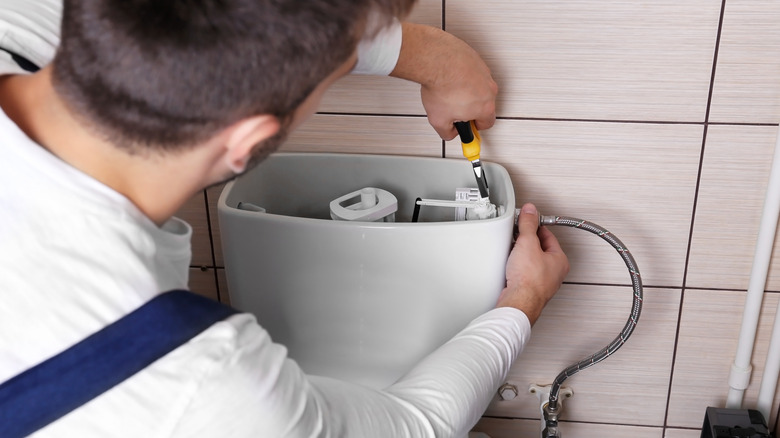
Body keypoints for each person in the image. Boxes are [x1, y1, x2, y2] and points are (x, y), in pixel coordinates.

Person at [0, 0, 569, 436]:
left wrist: (438, 60)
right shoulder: (196, 381)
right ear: (246, 144)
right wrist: (524, 299)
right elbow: (415, 424)